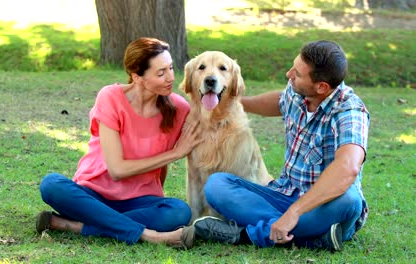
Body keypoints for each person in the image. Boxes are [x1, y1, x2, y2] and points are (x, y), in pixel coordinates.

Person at [182, 40, 370, 252]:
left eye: (297, 74)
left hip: (324, 205)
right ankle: (314, 238)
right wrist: (230, 102)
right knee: (217, 185)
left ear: (322, 87)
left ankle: (245, 234)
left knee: (350, 199)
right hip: (282, 196)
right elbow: (281, 100)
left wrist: (294, 213)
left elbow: (347, 169)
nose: (289, 74)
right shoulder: (299, 92)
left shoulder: (350, 112)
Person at [36, 37, 202, 248]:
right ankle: (150, 236)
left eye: (170, 68)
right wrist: (176, 153)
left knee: (179, 211)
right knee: (51, 185)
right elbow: (117, 169)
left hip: (138, 200)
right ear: (137, 76)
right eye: (161, 73)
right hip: (94, 194)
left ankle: (75, 225)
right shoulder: (111, 97)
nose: (170, 77)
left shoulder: (179, 108)